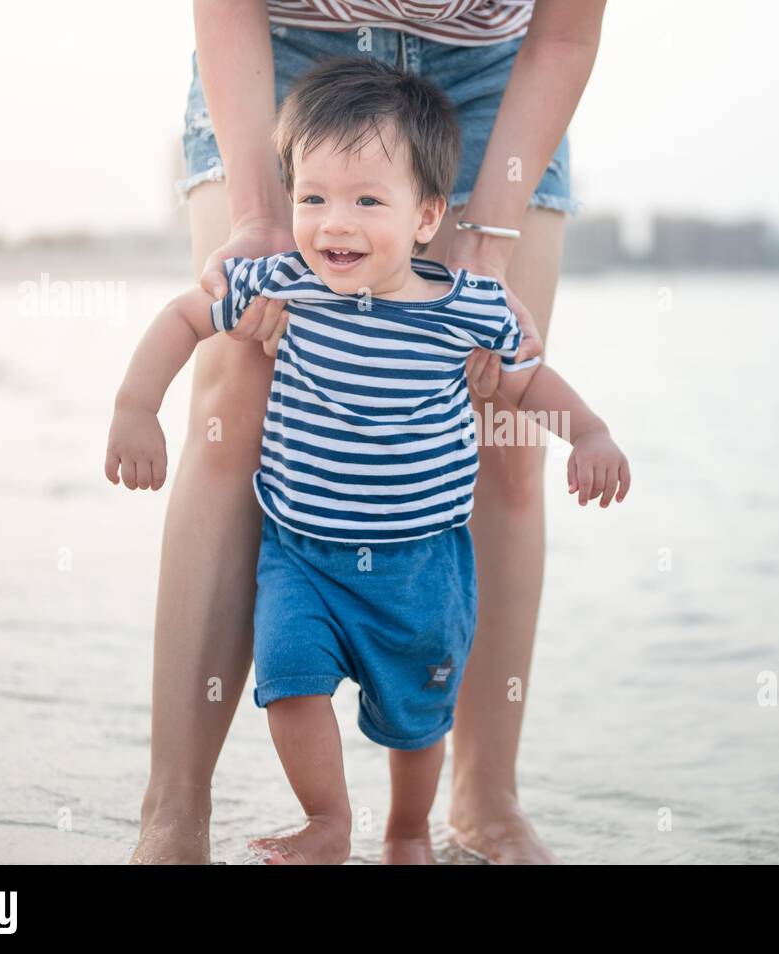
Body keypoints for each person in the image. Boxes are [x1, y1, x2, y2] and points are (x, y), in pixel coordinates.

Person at [107, 54, 629, 864]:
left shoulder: (468, 305)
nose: (332, 223)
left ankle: (411, 828)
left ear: (428, 216)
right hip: (301, 557)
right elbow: (183, 318)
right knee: (287, 677)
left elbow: (528, 385)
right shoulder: (282, 282)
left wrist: (590, 432)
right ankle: (327, 820)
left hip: (423, 566)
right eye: (311, 198)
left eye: (364, 202)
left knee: (419, 720)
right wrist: (135, 409)